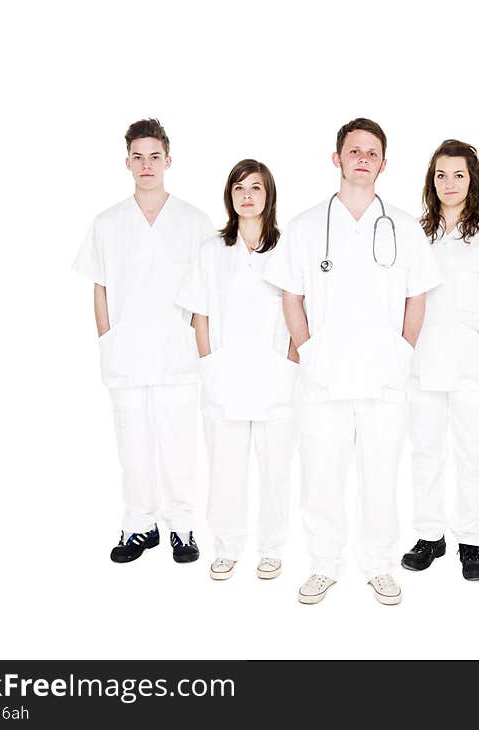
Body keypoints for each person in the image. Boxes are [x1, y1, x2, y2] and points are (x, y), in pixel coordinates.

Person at [264, 118, 440, 605]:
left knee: (381, 475)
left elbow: (417, 297)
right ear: (336, 158)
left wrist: (403, 352)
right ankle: (323, 564)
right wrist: (309, 352)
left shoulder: (404, 227)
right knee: (321, 475)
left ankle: (379, 565)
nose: (363, 157)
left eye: (372, 151)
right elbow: (291, 296)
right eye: (354, 149)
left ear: (383, 163)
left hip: (385, 376)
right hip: (323, 377)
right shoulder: (304, 227)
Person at [73, 118, 213, 564]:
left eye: (155, 156)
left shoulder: (194, 220)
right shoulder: (108, 222)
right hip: (126, 351)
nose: (147, 164)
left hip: (177, 352)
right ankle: (139, 526)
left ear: (168, 161)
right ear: (127, 163)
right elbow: (100, 286)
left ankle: (183, 528)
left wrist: (197, 340)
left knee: (178, 442)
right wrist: (107, 338)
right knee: (131, 441)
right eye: (138, 156)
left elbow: (207, 288)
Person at [402, 140, 479, 581]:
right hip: (423, 364)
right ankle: (429, 534)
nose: (448, 183)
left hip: (472, 366)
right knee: (425, 453)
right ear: (430, 182)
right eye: (440, 175)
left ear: (473, 180)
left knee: (472, 453)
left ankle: (469, 540)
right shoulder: (416, 234)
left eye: (458, 175)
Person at [176, 159, 298, 582]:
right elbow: (200, 314)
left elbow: (301, 310)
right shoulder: (213, 251)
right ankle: (227, 546)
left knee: (276, 469)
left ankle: (272, 549)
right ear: (230, 196)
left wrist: (291, 363)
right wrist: (208, 363)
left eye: (256, 188)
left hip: (275, 376)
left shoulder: (288, 248)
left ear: (269, 195)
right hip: (225, 376)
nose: (247, 195)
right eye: (239, 188)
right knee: (225, 467)